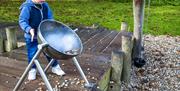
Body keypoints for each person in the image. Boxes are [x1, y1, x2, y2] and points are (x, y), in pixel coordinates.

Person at [19, 0, 65, 81]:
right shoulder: (27, 7)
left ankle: (55, 67)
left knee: (50, 52)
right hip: (32, 37)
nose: (43, 0)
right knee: (32, 54)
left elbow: (50, 18)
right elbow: (22, 21)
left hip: (44, 35)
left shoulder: (45, 5)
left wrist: (52, 26)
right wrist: (29, 29)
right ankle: (32, 70)